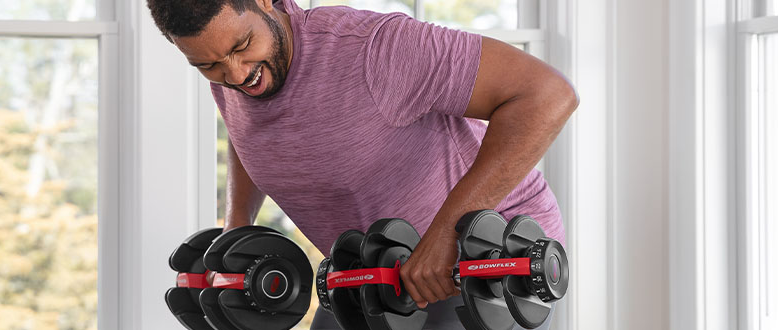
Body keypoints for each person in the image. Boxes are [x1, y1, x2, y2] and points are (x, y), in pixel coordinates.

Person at [146, 0, 577, 329]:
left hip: (478, 263)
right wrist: (235, 228)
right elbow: (248, 131)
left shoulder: (375, 49)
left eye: (243, 47)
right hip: (368, 269)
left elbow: (547, 95)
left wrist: (449, 234)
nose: (237, 75)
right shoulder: (233, 73)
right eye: (208, 65)